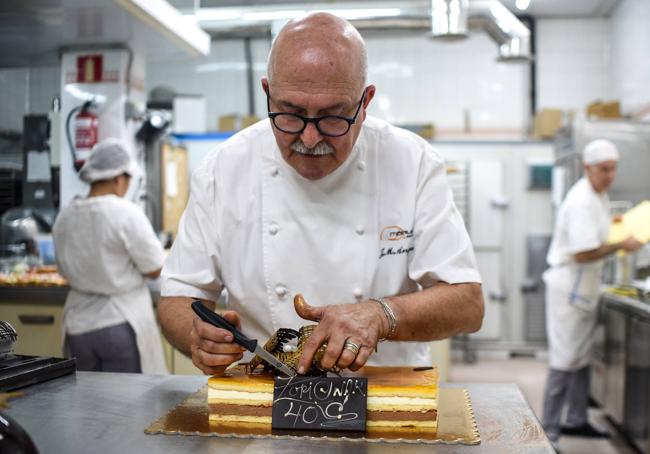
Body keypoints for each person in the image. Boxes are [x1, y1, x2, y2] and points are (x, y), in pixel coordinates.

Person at [158, 12, 484, 376]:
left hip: (385, 398)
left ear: (365, 102)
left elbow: (467, 304)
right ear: (267, 93)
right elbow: (177, 296)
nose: (309, 138)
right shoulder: (223, 170)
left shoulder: (413, 163)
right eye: (291, 114)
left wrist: (382, 315)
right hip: (265, 396)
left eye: (332, 117)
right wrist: (195, 335)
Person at [541, 139, 643, 445]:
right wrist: (620, 245)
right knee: (563, 359)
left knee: (581, 357)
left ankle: (576, 419)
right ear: (587, 169)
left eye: (613, 169)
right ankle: (549, 429)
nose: (610, 175)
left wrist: (614, 227)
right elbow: (583, 253)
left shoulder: (598, 195)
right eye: (604, 170)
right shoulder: (581, 201)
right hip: (568, 291)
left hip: (583, 289)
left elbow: (595, 234)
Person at [53, 139, 167, 373]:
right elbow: (154, 268)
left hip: (79, 326)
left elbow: (63, 270)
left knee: (89, 404)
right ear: (119, 178)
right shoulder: (125, 213)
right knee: (128, 406)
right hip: (120, 322)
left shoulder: (65, 216)